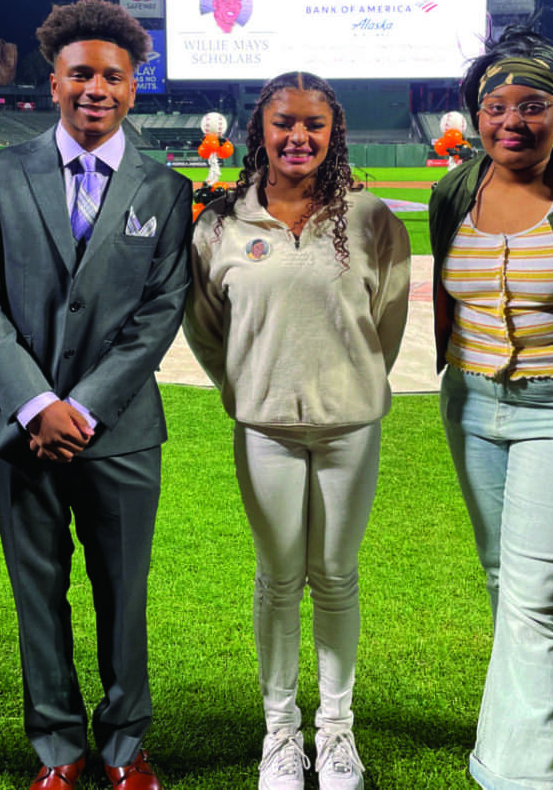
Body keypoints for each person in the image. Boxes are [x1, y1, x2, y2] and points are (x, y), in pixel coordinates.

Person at [0, 0, 192, 790]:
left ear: (132, 86)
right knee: (37, 593)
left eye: (112, 76)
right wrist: (34, 403)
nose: (96, 88)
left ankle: (125, 747)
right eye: (80, 73)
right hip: (15, 428)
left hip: (117, 428)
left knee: (124, 594)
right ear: (53, 82)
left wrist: (80, 407)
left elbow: (161, 311)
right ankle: (58, 747)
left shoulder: (164, 188)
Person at [184, 72, 410, 790]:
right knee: (279, 579)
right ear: (261, 128)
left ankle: (336, 731)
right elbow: (207, 330)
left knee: (336, 577)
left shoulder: (372, 219)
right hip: (265, 429)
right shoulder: (221, 223)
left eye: (314, 124)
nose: (298, 137)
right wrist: (251, 386)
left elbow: (388, 326)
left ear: (333, 131)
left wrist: (350, 384)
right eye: (285, 123)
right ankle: (281, 732)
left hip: (350, 428)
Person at [429, 26, 553, 790]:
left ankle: (517, 773)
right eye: (494, 105)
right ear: (474, 115)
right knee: (501, 577)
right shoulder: (454, 190)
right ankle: (545, 699)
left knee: (539, 594)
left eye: (532, 104)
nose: (511, 120)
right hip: (473, 404)